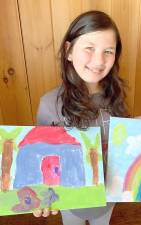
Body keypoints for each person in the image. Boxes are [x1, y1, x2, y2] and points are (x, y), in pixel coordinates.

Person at [34, 10, 128, 225]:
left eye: (108, 51)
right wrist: (40, 196)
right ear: (68, 50)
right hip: (70, 201)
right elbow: (42, 159)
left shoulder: (117, 97)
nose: (98, 60)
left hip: (107, 197)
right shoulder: (49, 104)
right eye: (89, 48)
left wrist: (137, 131)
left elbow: (118, 144)